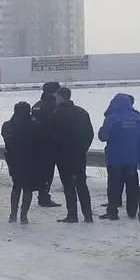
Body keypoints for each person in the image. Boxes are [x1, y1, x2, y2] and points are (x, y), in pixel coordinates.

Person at [49, 87, 94, 223]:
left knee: (68, 186)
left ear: (61, 98)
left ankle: (72, 214)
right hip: (79, 155)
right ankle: (88, 214)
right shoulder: (82, 112)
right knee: (81, 185)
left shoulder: (56, 114)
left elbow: (51, 136)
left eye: (57, 97)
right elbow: (89, 134)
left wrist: (56, 152)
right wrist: (82, 149)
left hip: (63, 157)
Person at [97, 93, 140, 220]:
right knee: (132, 185)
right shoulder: (138, 118)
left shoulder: (112, 118)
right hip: (132, 158)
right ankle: (132, 211)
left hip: (115, 158)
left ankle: (112, 211)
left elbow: (103, 136)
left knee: (113, 185)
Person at [2, 102, 38, 224]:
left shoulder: (8, 126)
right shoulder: (33, 126)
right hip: (30, 161)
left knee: (16, 186)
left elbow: (7, 141)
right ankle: (24, 216)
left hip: (14, 160)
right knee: (27, 188)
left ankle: (13, 214)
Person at [31, 81, 62, 208]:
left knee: (42, 171)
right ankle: (44, 196)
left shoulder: (37, 105)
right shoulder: (54, 106)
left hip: (37, 144)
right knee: (48, 172)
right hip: (51, 144)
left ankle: (42, 194)